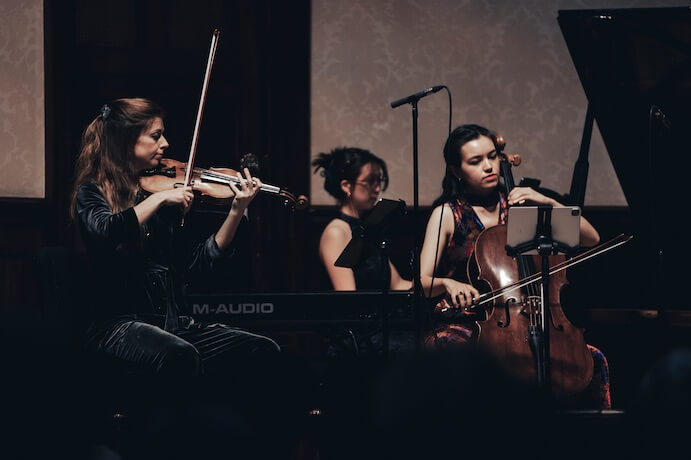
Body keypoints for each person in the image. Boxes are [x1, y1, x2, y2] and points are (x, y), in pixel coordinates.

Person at [71, 98, 280, 377]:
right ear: (123, 141)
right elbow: (106, 231)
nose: (166, 143)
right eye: (156, 136)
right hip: (117, 325)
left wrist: (236, 210)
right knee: (179, 356)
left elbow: (195, 263)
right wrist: (158, 199)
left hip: (175, 326)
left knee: (262, 349)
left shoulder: (161, 195)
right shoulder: (92, 192)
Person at [418, 124, 611, 409]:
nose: (488, 166)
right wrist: (449, 283)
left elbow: (590, 238)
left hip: (528, 319)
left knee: (592, 358)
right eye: (476, 161)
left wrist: (547, 201)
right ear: (456, 170)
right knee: (450, 352)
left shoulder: (521, 208)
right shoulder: (448, 214)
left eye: (492, 156)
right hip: (470, 321)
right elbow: (421, 281)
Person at [312, 146, 411, 292]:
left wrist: (444, 284)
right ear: (346, 186)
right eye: (370, 181)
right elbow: (348, 295)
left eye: (379, 180)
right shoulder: (336, 232)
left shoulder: (368, 228)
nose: (377, 189)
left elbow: (398, 285)